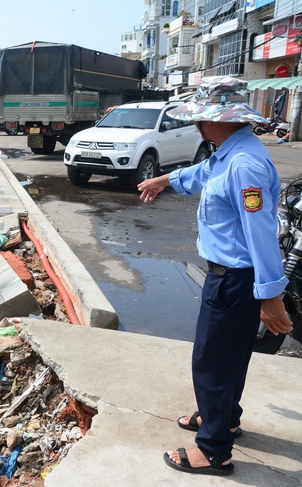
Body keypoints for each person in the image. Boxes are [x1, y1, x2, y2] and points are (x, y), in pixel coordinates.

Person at [137, 76, 293, 476]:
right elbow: (203, 173)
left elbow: (261, 234)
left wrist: (271, 296)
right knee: (229, 358)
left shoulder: (245, 165)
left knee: (211, 362)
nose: (196, 127)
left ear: (216, 121)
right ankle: (223, 418)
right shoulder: (228, 154)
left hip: (235, 280)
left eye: (200, 120)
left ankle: (213, 450)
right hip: (232, 278)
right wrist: (165, 180)